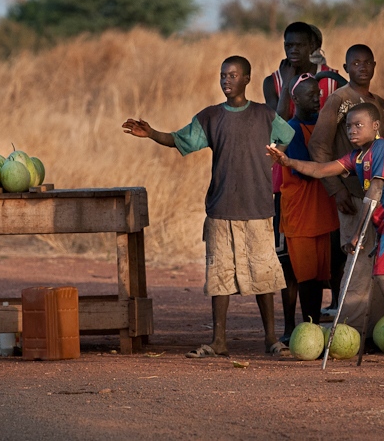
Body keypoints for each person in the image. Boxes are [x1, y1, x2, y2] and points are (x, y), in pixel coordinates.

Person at [123, 56, 294, 358]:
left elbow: (286, 138)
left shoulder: (264, 115)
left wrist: (273, 156)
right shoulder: (211, 117)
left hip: (257, 207)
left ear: (247, 79)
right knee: (219, 277)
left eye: (233, 75)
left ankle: (271, 339)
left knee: (264, 274)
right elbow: (180, 140)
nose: (227, 81)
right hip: (221, 206)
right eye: (223, 76)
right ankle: (219, 341)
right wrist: (151, 133)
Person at [268, 103, 384, 365]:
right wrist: (288, 161)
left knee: (381, 274)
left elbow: (374, 192)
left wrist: (358, 233)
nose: (352, 130)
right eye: (348, 126)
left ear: (375, 126)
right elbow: (322, 169)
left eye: (359, 125)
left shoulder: (381, 148)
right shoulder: (357, 156)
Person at [261, 22, 343, 338]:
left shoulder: (329, 80)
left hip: (326, 188)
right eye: (288, 44)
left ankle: (332, 311)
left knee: (332, 254)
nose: (292, 50)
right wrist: (288, 89)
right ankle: (291, 326)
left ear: (314, 47)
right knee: (290, 259)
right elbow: (277, 125)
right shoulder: (276, 81)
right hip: (292, 184)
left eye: (299, 45)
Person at [307, 44, 384, 335]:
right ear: (345, 68)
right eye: (355, 63)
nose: (362, 67)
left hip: (379, 196)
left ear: (375, 65)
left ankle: (377, 330)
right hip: (352, 194)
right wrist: (336, 188)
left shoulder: (379, 103)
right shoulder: (338, 100)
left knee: (380, 262)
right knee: (357, 261)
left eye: (367, 62)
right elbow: (318, 145)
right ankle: (348, 331)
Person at [278, 75, 340, 325]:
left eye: (319, 94)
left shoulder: (322, 125)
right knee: (305, 277)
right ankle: (308, 327)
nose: (317, 99)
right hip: (301, 214)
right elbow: (306, 171)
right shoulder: (291, 129)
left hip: (322, 213)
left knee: (318, 275)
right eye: (311, 95)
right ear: (294, 98)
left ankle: (312, 327)